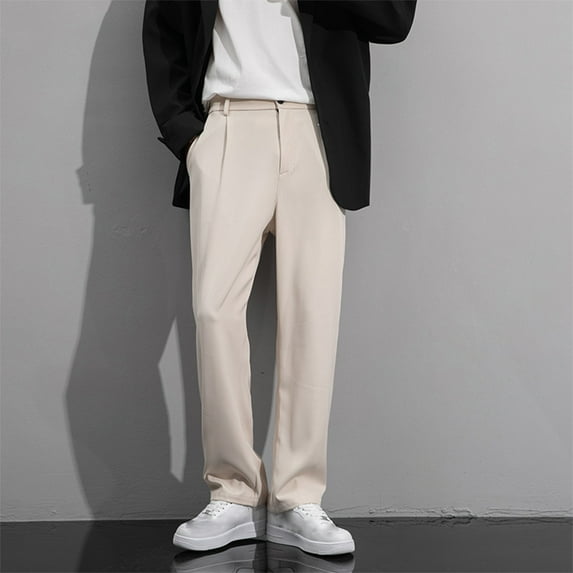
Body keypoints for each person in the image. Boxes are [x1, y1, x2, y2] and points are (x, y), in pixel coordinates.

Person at [142, 0, 417, 557]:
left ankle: (298, 498)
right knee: (214, 310)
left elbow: (394, 17)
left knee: (313, 314)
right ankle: (233, 492)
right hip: (227, 124)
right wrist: (187, 137)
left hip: (318, 127)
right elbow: (163, 31)